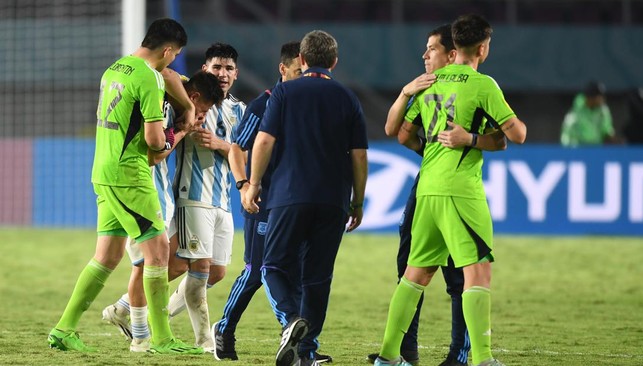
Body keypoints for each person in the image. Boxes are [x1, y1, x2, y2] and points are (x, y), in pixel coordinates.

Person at [373, 14, 527, 366]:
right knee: (477, 271)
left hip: (426, 187)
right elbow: (517, 135)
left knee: (417, 273)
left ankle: (388, 357)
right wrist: (471, 138)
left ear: (453, 46)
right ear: (483, 48)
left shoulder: (429, 82)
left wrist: (439, 145)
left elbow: (399, 132)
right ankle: (483, 358)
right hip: (460, 190)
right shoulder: (483, 85)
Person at [47, 18, 203, 354]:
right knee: (159, 250)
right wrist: (180, 132)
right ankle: (162, 339)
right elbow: (154, 142)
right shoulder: (149, 77)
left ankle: (63, 329)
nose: (172, 61)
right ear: (168, 50)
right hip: (129, 174)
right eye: (174, 55)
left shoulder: (114, 69)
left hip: (102, 170)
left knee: (106, 256)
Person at [242, 30, 368, 366]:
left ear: (302, 60)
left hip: (288, 196)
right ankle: (307, 349)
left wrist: (253, 184)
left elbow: (264, 141)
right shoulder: (348, 98)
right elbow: (358, 156)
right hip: (333, 200)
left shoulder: (284, 92)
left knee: (272, 266)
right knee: (318, 277)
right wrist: (357, 201)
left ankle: (289, 320)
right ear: (334, 62)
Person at [210, 40, 331, 364]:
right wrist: (244, 185)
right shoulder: (264, 105)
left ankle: (305, 349)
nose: (304, 77)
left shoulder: (308, 103)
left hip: (296, 202)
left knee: (301, 272)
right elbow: (237, 147)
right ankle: (226, 328)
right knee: (258, 269)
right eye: (297, 72)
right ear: (283, 69)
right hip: (262, 201)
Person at [100, 71, 223, 352]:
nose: (201, 115)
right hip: (141, 192)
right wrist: (184, 129)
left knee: (178, 261)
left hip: (162, 195)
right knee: (144, 265)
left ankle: (123, 308)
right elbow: (155, 154)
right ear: (193, 98)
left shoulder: (173, 97)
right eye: (202, 108)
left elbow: (171, 74)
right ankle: (141, 337)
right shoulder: (158, 104)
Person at [166, 42, 246, 352]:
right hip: (192, 193)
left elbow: (243, 155)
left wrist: (220, 144)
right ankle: (204, 341)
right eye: (216, 67)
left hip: (222, 199)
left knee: (217, 271)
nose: (222, 73)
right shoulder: (189, 98)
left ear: (236, 74)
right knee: (190, 267)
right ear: (204, 70)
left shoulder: (239, 110)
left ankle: (129, 310)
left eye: (228, 68)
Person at [560, 80, 616, 146]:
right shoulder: (576, 110)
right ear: (590, 97)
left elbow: (607, 129)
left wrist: (615, 141)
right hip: (578, 150)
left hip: (596, 150)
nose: (602, 99)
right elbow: (566, 132)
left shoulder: (603, 110)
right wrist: (568, 150)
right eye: (599, 96)